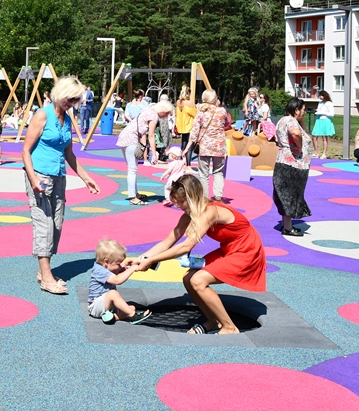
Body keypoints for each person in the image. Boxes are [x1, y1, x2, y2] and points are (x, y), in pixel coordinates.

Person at [131, 174, 266, 334]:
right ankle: (213, 321)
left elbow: (186, 247)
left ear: (192, 197)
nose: (180, 207)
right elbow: (167, 242)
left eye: (181, 203)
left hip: (247, 250)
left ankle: (230, 327)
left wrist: (152, 260)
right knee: (188, 279)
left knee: (198, 280)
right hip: (230, 248)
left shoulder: (210, 212)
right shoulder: (190, 213)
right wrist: (141, 259)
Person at [21, 77, 101, 295]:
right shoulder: (42, 115)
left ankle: (43, 270)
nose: (73, 102)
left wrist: (86, 177)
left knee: (56, 225)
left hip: (59, 177)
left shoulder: (67, 119)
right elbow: (25, 150)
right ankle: (46, 277)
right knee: (43, 224)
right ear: (60, 93)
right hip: (39, 175)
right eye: (70, 98)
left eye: (76, 100)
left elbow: (69, 154)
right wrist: (33, 178)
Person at [116, 96, 173, 205]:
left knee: (131, 168)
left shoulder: (148, 110)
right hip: (131, 139)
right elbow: (151, 136)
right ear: (163, 111)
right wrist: (154, 154)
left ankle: (135, 193)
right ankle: (133, 197)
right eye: (167, 113)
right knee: (132, 169)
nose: (166, 116)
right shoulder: (154, 116)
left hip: (125, 136)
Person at [87, 238, 151, 324]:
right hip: (95, 307)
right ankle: (133, 316)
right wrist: (132, 268)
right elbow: (117, 280)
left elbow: (114, 272)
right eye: (118, 264)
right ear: (106, 261)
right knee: (113, 293)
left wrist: (123, 267)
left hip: (106, 305)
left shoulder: (105, 266)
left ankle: (113, 318)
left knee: (131, 307)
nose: (119, 266)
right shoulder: (99, 270)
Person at [273, 97, 313, 236]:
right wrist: (300, 146)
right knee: (291, 195)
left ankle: (287, 225)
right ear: (296, 110)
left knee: (286, 195)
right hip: (293, 165)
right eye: (303, 109)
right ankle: (288, 228)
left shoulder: (282, 120)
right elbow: (295, 133)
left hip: (285, 163)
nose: (305, 112)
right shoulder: (291, 121)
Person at [187, 90, 229, 201]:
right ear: (215, 99)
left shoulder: (201, 112)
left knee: (203, 173)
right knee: (218, 171)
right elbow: (227, 123)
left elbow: (195, 131)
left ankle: (205, 197)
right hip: (219, 146)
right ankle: (218, 195)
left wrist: (187, 147)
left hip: (205, 146)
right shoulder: (222, 111)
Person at [312, 90, 335, 159]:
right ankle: (316, 152)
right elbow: (319, 110)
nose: (320, 97)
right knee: (314, 136)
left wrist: (322, 113)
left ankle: (324, 154)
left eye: (321, 96)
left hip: (326, 120)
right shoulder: (320, 103)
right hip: (319, 120)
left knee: (324, 137)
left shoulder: (329, 103)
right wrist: (317, 111)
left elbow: (331, 114)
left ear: (325, 96)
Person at [174, 85, 197, 149]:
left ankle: (182, 157)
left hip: (181, 125)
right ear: (188, 94)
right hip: (189, 125)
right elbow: (196, 114)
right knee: (189, 144)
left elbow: (176, 113)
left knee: (184, 141)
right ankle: (187, 158)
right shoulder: (189, 103)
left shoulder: (178, 102)